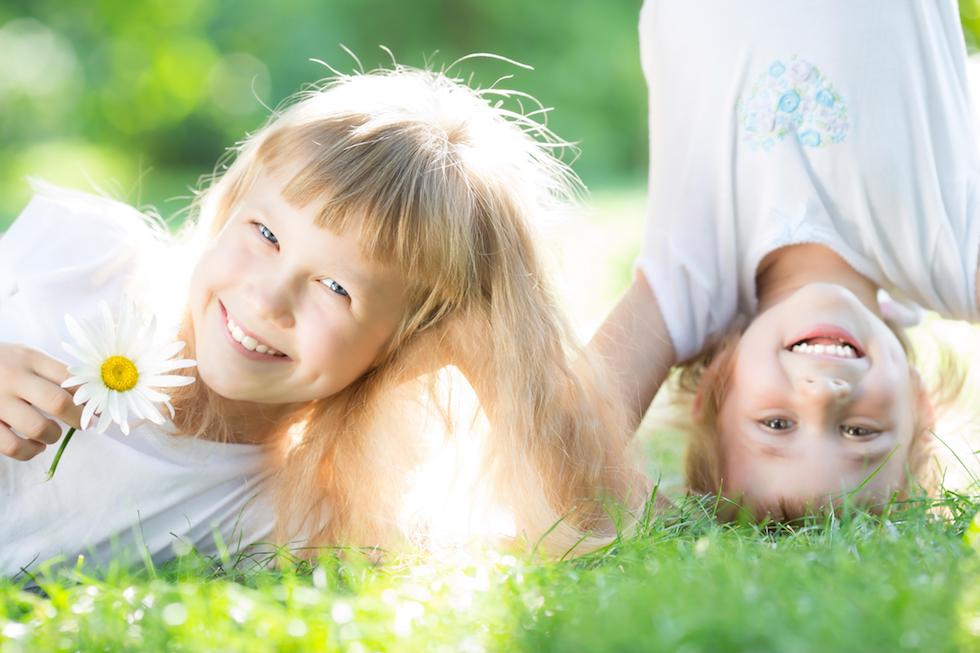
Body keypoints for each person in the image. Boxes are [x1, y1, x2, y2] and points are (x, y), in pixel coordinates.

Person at [0, 65, 646, 577]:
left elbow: (582, 520)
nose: (269, 298)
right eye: (264, 232)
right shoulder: (81, 260)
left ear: (409, 343)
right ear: (228, 207)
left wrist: (489, 350)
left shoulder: (296, 509)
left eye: (337, 287)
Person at [590, 0, 980, 519]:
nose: (822, 393)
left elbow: (559, 441)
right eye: (859, 432)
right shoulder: (952, 255)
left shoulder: (691, 288)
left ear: (712, 394)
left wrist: (640, 505)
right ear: (919, 406)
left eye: (777, 425)